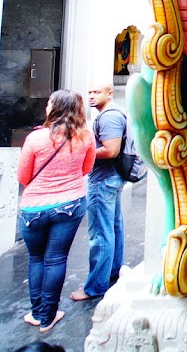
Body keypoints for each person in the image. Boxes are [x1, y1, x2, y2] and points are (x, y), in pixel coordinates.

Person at [16, 90, 95, 333]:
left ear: (54, 108)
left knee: (37, 259)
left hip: (34, 208)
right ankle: (49, 315)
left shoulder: (35, 139)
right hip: (70, 203)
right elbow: (87, 168)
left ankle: (38, 313)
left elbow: (23, 176)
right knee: (56, 259)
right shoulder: (85, 137)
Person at [71, 83, 126, 302]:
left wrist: (83, 152)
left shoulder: (109, 117)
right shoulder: (111, 113)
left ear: (109, 93)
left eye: (97, 92)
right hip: (111, 179)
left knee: (101, 233)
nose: (92, 96)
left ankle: (95, 286)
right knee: (113, 227)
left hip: (104, 180)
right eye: (90, 92)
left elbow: (111, 150)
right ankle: (113, 272)